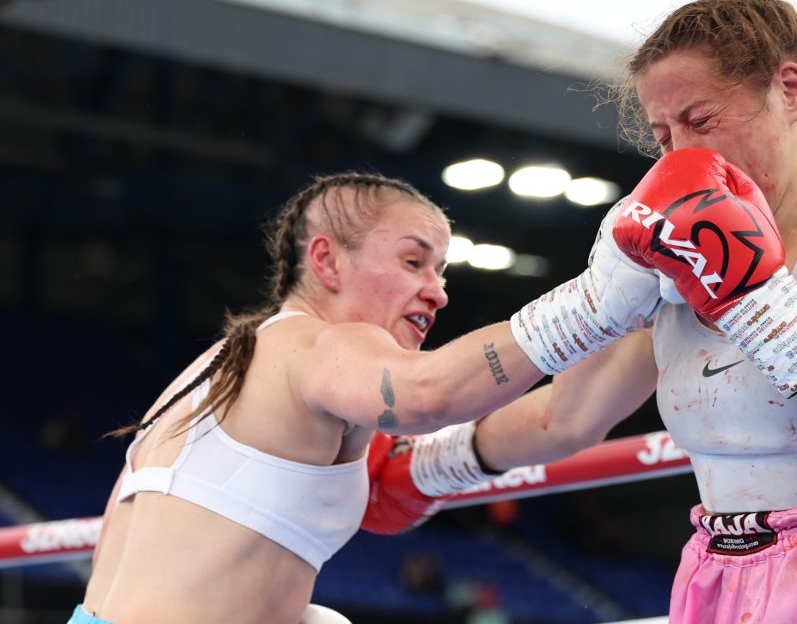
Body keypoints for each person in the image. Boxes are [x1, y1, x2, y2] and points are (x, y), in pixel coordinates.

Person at [365, 0, 797, 623]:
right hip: (724, 571)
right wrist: (428, 468)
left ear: (790, 90)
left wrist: (752, 293)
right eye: (663, 134)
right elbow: (568, 413)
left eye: (701, 121)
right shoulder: (668, 237)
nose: (681, 155)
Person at [73, 171, 662, 624]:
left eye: (443, 272)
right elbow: (431, 393)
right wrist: (601, 296)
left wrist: (659, 298)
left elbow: (564, 420)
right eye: (413, 262)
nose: (437, 293)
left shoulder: (220, 368)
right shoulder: (322, 345)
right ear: (326, 260)